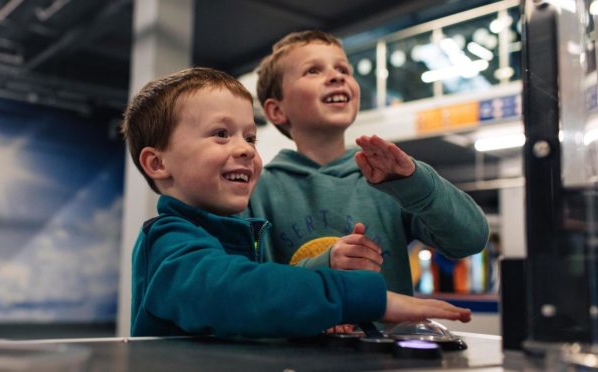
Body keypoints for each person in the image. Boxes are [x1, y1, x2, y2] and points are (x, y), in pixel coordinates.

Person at [121, 67, 471, 338]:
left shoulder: (239, 235)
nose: (245, 148)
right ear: (158, 163)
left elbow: (468, 237)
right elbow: (239, 291)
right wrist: (367, 299)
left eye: (250, 137)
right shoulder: (169, 240)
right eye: (220, 134)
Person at [246, 30, 490, 296]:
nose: (337, 76)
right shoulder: (256, 190)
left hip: (385, 337)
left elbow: (470, 239)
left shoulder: (392, 181)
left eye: (343, 69)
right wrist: (323, 266)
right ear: (276, 111)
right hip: (293, 337)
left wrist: (416, 183)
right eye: (313, 71)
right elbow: (248, 284)